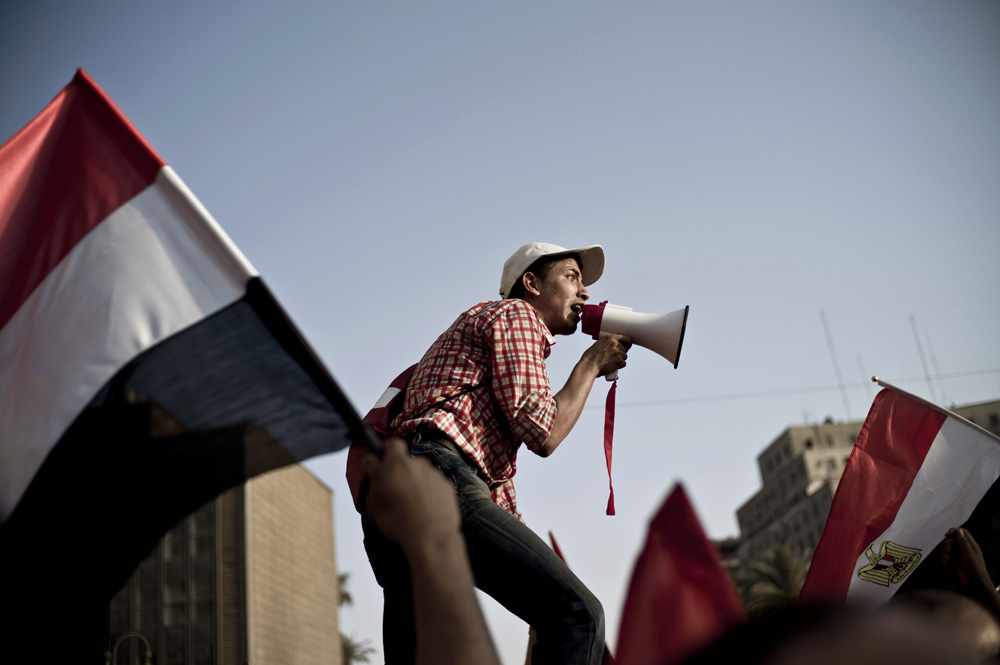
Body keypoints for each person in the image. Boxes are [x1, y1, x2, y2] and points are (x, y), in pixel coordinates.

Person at [360, 242, 630, 665]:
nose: (585, 294)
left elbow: (495, 491)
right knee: (579, 616)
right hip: (437, 475)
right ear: (531, 283)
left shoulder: (482, 337)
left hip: (397, 495)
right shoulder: (517, 315)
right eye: (572, 277)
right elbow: (543, 433)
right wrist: (591, 364)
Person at [364, 437, 501, 665]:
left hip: (379, 494)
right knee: (576, 612)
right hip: (437, 468)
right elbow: (545, 435)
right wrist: (438, 537)